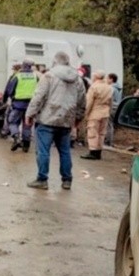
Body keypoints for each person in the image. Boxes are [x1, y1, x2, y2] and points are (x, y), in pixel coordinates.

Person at [25, 51, 87, 190]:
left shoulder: (48, 76)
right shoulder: (77, 79)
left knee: (43, 151)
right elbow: (82, 101)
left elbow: (38, 97)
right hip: (66, 120)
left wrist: (30, 114)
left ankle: (42, 179)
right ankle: (67, 180)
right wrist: (78, 118)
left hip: (47, 119)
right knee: (65, 151)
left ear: (55, 61)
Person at [3, 58, 39, 152]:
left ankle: (16, 138)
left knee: (12, 122)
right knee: (27, 124)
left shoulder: (17, 76)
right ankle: (26, 145)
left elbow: (9, 90)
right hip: (31, 105)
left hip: (18, 104)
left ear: (23, 65)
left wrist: (8, 99)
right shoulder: (35, 76)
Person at [81, 70, 113, 160]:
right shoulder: (109, 87)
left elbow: (89, 102)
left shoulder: (94, 87)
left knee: (93, 132)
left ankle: (93, 151)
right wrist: (109, 112)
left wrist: (86, 113)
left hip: (95, 112)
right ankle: (99, 151)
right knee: (102, 133)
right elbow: (111, 102)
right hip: (105, 113)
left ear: (95, 77)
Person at [0, 62, 21, 138]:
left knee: (8, 116)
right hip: (27, 102)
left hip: (15, 101)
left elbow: (8, 89)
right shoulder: (27, 77)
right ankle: (23, 137)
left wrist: (4, 100)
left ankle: (6, 132)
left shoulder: (14, 77)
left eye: (13, 69)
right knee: (20, 119)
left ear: (15, 69)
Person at [104, 73, 122, 147]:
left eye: (107, 78)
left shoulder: (111, 88)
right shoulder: (117, 88)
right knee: (110, 124)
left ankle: (108, 141)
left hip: (112, 107)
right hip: (116, 107)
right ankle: (109, 141)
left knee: (108, 124)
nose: (106, 80)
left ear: (111, 79)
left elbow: (108, 98)